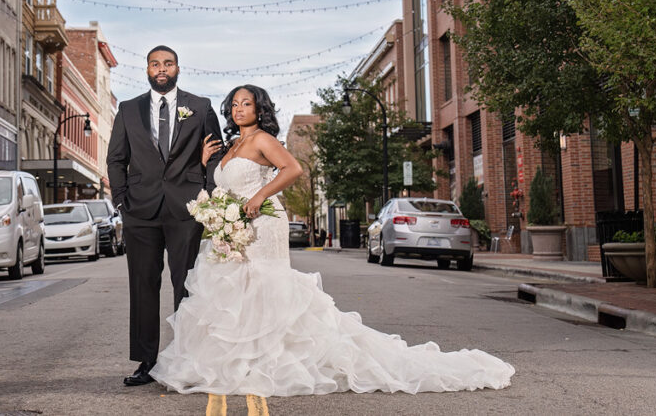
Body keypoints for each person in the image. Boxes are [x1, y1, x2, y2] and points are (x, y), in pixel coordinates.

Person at [150, 85, 515, 396]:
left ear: (259, 109)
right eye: (234, 103)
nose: (238, 108)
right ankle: (236, 362)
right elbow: (218, 186)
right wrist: (203, 163)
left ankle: (266, 360)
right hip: (234, 226)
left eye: (246, 103)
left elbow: (293, 169)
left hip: (262, 222)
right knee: (233, 292)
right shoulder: (229, 145)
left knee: (261, 287)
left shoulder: (263, 139)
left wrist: (260, 196)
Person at [107, 45, 223, 387]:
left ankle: (187, 358)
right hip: (139, 211)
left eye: (168, 63)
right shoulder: (128, 110)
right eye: (155, 64)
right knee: (142, 286)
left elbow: (216, 154)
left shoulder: (200, 107)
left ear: (177, 68)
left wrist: (208, 193)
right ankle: (146, 361)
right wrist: (121, 199)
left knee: (185, 284)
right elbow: (116, 159)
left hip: (185, 208)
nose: (162, 69)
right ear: (146, 69)